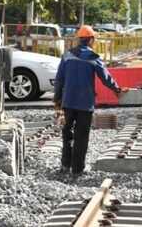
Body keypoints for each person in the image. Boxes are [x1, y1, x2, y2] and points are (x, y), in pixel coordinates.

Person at [54, 25, 127, 177]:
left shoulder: (67, 56)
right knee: (81, 135)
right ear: (91, 40)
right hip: (85, 103)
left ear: (79, 39)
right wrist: (117, 89)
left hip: (68, 101)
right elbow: (105, 77)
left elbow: (59, 79)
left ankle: (65, 165)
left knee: (67, 133)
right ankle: (78, 169)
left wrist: (57, 100)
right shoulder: (93, 57)